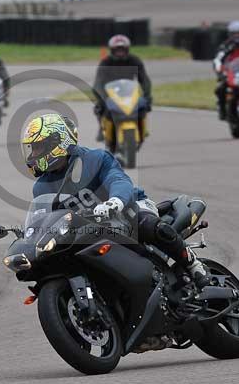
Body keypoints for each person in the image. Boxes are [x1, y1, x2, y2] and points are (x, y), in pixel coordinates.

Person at [20, 113, 210, 288]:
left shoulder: (95, 159)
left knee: (146, 224)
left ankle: (193, 265)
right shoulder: (41, 187)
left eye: (38, 147)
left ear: (58, 141)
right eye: (31, 148)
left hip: (127, 209)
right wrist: (31, 235)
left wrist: (115, 201)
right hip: (90, 231)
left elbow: (118, 180)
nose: (33, 155)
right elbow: (45, 216)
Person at [93, 35, 152, 141]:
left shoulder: (135, 60)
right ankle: (102, 128)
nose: (120, 52)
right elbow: (98, 82)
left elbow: (144, 80)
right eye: (117, 49)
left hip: (129, 91)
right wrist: (103, 97)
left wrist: (147, 95)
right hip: (110, 92)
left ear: (127, 49)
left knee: (144, 105)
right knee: (99, 107)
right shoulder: (105, 62)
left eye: (122, 49)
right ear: (112, 50)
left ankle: (142, 127)